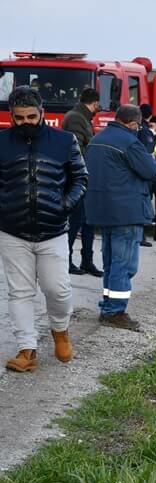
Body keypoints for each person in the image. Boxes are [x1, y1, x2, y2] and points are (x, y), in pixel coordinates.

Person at [0, 86, 87, 372]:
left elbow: (80, 179)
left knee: (57, 289)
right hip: (12, 230)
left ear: (42, 114)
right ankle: (27, 349)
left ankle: (60, 331)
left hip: (54, 230)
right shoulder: (1, 142)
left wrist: (65, 204)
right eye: (19, 117)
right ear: (12, 116)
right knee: (20, 292)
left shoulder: (64, 141)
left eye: (31, 116)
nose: (26, 122)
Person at [84, 104, 156, 331]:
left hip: (102, 209)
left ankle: (107, 304)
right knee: (124, 264)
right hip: (125, 211)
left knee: (110, 261)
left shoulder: (97, 139)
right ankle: (115, 311)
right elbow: (150, 170)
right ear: (133, 123)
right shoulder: (130, 142)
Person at [61, 87, 103, 277]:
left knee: (87, 221)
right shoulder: (77, 118)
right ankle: (67, 260)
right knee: (76, 221)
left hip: (84, 178)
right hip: (78, 179)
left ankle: (87, 261)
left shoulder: (82, 117)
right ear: (94, 104)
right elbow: (76, 151)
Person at [136, 103, 156, 248]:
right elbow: (149, 154)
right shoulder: (146, 132)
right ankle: (140, 235)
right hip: (144, 174)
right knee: (143, 204)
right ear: (149, 116)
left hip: (132, 173)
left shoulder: (132, 129)